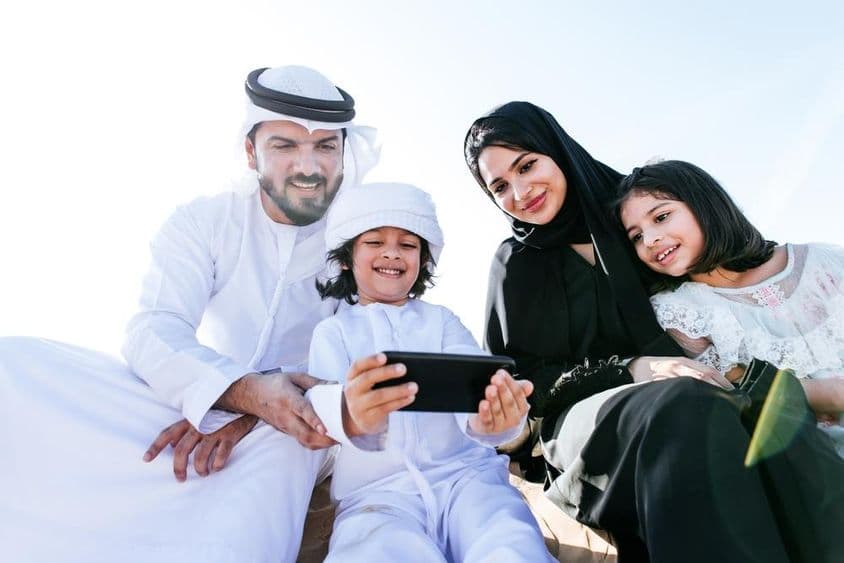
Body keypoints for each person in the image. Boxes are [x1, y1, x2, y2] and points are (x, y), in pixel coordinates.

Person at [0, 65, 378, 563]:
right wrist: (239, 394)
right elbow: (154, 329)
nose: (308, 166)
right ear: (251, 152)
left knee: (287, 450)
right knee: (17, 364)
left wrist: (258, 410)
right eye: (285, 145)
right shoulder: (205, 221)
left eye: (326, 146)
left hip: (298, 423)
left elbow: (357, 359)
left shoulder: (364, 240)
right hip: (191, 398)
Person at [463, 101, 844, 562]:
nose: (520, 192)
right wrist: (633, 367)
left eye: (528, 165)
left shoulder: (631, 214)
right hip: (587, 420)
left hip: (704, 386)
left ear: (557, 152)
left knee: (738, 412)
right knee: (683, 407)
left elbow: (716, 269)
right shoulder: (516, 264)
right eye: (500, 186)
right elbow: (526, 382)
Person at [302, 182, 555, 562]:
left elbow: (477, 395)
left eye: (408, 244)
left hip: (467, 478)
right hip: (378, 492)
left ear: (423, 259)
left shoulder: (442, 322)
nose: (392, 252)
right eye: (374, 242)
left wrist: (493, 420)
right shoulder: (333, 332)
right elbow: (327, 418)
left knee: (508, 540)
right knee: (375, 549)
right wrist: (353, 414)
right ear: (345, 257)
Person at [616, 159, 844, 456]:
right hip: (816, 460)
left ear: (704, 204)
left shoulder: (821, 261)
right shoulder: (681, 313)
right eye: (635, 236)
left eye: (661, 217)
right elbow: (742, 390)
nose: (650, 239)